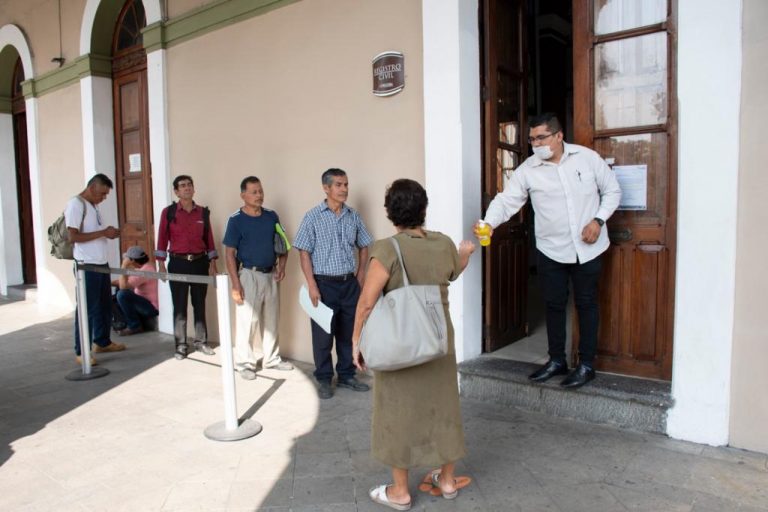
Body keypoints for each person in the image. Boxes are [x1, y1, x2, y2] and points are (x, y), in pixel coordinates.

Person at [352, 179, 475, 510]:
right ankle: (447, 480)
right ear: (424, 209)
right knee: (444, 407)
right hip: (438, 340)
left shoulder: (387, 249)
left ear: (391, 213)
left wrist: (356, 341)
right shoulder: (444, 244)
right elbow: (453, 272)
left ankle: (401, 491)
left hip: (400, 343)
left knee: (396, 411)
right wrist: (465, 254)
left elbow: (366, 302)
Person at [476, 113, 621, 389]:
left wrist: (598, 220)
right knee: (554, 305)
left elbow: (612, 191)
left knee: (586, 303)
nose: (535, 144)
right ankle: (557, 361)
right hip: (551, 249)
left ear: (558, 135)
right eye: (531, 139)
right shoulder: (528, 169)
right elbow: (506, 201)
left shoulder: (586, 158)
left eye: (540, 137)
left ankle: (586, 364)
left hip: (588, 248)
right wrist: (488, 223)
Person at [294, 168, 373, 399]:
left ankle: (347, 375)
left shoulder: (353, 216)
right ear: (326, 188)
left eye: (346, 184)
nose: (344, 189)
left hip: (349, 284)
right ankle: (324, 379)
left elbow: (364, 244)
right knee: (323, 336)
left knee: (348, 332)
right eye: (339, 185)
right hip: (323, 285)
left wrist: (360, 274)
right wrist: (311, 284)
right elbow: (304, 252)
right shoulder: (312, 217)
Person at [224, 176, 294, 380]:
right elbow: (229, 254)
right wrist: (235, 284)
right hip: (248, 274)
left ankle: (271, 359)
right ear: (243, 195)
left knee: (272, 318)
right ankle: (244, 363)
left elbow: (283, 244)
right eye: (254, 192)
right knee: (248, 320)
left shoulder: (272, 216)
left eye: (261, 191)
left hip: (270, 273)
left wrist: (282, 266)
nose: (259, 195)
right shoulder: (236, 219)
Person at [65, 173, 126, 365]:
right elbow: (73, 237)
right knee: (87, 309)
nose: (103, 198)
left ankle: (102, 341)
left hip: (100, 265)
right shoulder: (76, 205)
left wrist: (109, 233)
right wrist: (103, 232)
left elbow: (94, 233)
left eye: (106, 195)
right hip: (86, 266)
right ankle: (81, 351)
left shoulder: (93, 206)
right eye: (102, 194)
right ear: (91, 188)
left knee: (104, 306)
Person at [155, 175, 218, 360]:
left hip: (200, 263)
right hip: (178, 262)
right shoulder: (169, 213)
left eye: (190, 185)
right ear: (176, 191)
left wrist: (213, 264)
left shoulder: (203, 213)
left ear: (193, 189)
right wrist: (161, 265)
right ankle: (181, 345)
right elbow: (162, 238)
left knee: (199, 304)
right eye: (182, 186)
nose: (187, 188)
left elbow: (209, 239)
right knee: (180, 305)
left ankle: (201, 342)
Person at [113, 246, 158, 336]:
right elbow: (122, 282)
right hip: (142, 304)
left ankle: (134, 326)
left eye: (127, 259)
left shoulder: (146, 270)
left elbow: (123, 286)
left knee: (122, 294)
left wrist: (124, 266)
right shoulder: (143, 268)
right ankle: (122, 324)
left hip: (150, 308)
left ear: (132, 260)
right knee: (113, 297)